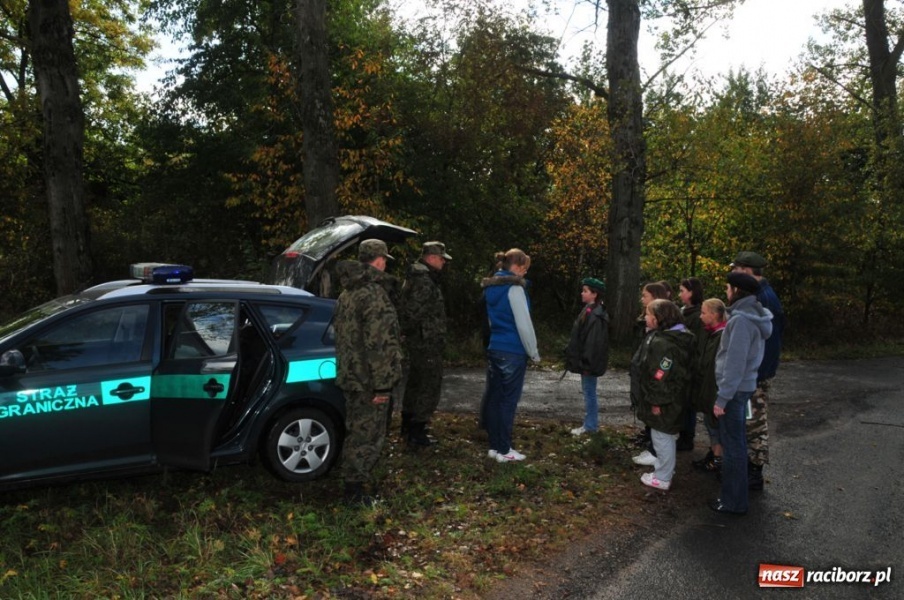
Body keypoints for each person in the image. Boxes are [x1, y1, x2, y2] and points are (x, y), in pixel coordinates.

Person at [334, 239, 404, 504]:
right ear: (379, 260)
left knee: (356, 430)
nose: (385, 265)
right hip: (369, 381)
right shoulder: (373, 294)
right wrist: (382, 385)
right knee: (367, 435)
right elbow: (380, 345)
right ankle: (354, 492)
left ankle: (354, 481)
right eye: (385, 260)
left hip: (351, 376)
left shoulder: (347, 293)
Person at [709, 272, 772, 515]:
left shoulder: (741, 321)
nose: (726, 292)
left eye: (728, 288)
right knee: (737, 443)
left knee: (733, 447)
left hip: (734, 392)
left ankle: (733, 502)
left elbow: (735, 363)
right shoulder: (752, 316)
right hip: (741, 388)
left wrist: (722, 398)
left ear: (737, 291)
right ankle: (736, 499)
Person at [730, 251, 785, 490]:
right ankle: (747, 467)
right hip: (755, 373)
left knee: (754, 421)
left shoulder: (764, 299)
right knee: (748, 420)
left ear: (747, 271)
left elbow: (768, 342)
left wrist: (756, 374)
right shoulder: (759, 295)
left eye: (736, 270)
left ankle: (754, 471)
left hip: (756, 375)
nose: (733, 275)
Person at [630, 299, 695, 491]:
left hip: (665, 400)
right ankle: (665, 469)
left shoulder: (663, 344)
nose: (645, 317)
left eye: (648, 314)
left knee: (662, 436)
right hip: (672, 397)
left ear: (659, 318)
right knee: (665, 435)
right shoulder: (678, 337)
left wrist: (656, 401)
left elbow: (659, 375)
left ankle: (663, 477)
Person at [482, 249, 541, 462]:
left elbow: (490, 321)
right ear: (515, 267)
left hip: (495, 347)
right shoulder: (515, 289)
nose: (524, 273)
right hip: (513, 350)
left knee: (495, 398)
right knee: (508, 401)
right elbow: (524, 324)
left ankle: (495, 446)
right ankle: (505, 449)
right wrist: (533, 352)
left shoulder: (490, 288)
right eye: (524, 269)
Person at [398, 241, 452, 448]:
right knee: (429, 385)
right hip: (425, 342)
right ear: (431, 258)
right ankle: (417, 430)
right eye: (441, 259)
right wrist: (410, 332)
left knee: (416, 382)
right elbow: (412, 313)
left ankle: (409, 425)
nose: (443, 263)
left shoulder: (419, 277)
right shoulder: (424, 282)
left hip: (421, 340)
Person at [564, 277, 610, 436]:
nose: (582, 293)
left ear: (594, 294)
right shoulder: (589, 310)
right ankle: (590, 424)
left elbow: (593, 343)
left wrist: (586, 363)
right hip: (586, 362)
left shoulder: (596, 315)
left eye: (585, 291)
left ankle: (591, 425)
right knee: (588, 391)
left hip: (589, 364)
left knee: (589, 393)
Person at [630, 282, 671, 450]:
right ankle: (649, 436)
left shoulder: (662, 331)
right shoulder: (646, 321)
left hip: (653, 376)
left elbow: (662, 366)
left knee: (654, 407)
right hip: (643, 371)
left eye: (645, 296)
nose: (641, 299)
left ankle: (655, 449)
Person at [691, 298, 727, 473]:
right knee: (709, 423)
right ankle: (714, 454)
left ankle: (718, 459)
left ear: (714, 315)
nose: (700, 316)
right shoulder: (711, 334)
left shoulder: (722, 337)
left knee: (715, 425)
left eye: (704, 313)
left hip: (714, 389)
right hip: (707, 388)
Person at [677, 277, 705, 451]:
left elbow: (696, 343)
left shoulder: (698, 316)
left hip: (690, 365)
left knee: (688, 404)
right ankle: (682, 434)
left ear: (692, 292)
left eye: (682, 291)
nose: (680, 294)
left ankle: (687, 437)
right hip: (681, 363)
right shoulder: (683, 312)